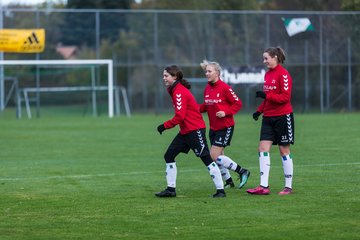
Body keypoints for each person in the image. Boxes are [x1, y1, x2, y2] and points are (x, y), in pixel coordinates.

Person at [155, 65, 226, 198]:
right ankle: (171, 190)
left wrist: (164, 126)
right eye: (163, 75)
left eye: (166, 76)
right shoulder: (174, 89)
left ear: (174, 77)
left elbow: (180, 116)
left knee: (206, 158)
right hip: (185, 131)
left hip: (195, 130)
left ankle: (221, 190)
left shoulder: (179, 91)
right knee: (169, 155)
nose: (163, 78)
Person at [247, 46, 295, 195]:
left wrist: (266, 97)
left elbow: (285, 98)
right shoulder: (267, 75)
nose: (264, 61)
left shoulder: (284, 74)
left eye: (266, 58)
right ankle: (263, 186)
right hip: (268, 117)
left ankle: (288, 186)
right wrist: (259, 110)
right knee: (262, 149)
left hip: (283, 116)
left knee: (283, 150)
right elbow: (268, 97)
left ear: (275, 57)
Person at [199, 60, 250, 189]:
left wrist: (226, 112)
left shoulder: (225, 88)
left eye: (209, 71)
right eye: (206, 71)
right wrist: (191, 108)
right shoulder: (207, 88)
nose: (207, 73)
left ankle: (242, 171)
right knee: (219, 156)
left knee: (213, 156)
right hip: (213, 128)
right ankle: (229, 181)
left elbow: (238, 103)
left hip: (225, 127)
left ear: (217, 73)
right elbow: (206, 106)